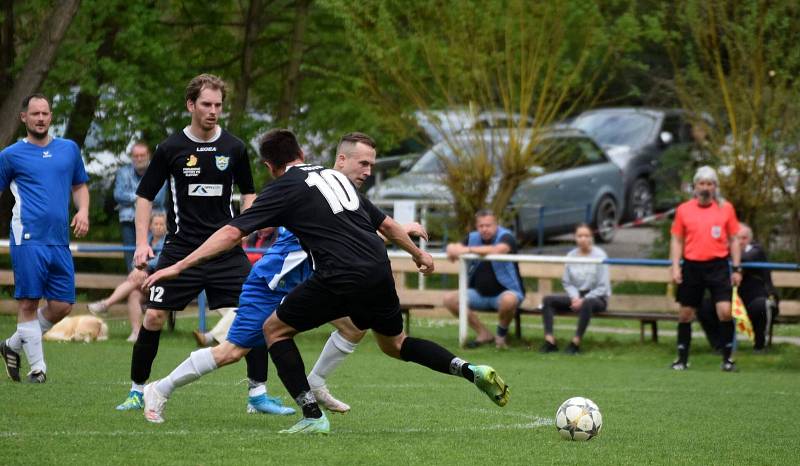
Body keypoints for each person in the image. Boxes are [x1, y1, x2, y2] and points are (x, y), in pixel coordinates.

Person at [143, 129, 510, 434]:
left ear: (270, 167)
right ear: (305, 153)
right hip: (349, 274)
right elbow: (380, 224)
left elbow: (231, 232)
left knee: (266, 336)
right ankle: (466, 368)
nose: (366, 170)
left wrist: (178, 266)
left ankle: (308, 413)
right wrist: (417, 253)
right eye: (363, 163)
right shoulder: (333, 179)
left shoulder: (285, 187)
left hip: (322, 278)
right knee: (393, 343)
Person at [189, 133, 427, 414]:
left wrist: (398, 232)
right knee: (244, 343)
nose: (368, 171)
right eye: (363, 163)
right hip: (285, 276)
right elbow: (346, 240)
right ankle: (164, 387)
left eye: (371, 165)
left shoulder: (335, 188)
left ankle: (310, 384)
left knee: (352, 328)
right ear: (341, 160)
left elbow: (354, 238)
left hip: (316, 275)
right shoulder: (313, 186)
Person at [114, 74, 277, 415]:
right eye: (206, 104)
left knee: (257, 313)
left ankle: (257, 395)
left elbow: (249, 194)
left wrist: (244, 225)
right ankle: (136, 391)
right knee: (155, 316)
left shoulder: (234, 147)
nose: (213, 111)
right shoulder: (171, 149)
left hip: (225, 251)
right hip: (180, 248)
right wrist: (142, 243)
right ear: (191, 105)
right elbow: (144, 196)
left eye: (218, 105)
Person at [0, 94, 90, 383]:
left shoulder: (68, 149)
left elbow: (79, 185)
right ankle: (38, 368)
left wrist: (84, 211)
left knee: (63, 304)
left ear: (51, 117)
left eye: (45, 113)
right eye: (35, 113)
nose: (41, 118)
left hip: (59, 239)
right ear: (23, 117)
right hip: (27, 237)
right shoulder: (10, 155)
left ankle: (12, 344)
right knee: (28, 302)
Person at [670, 166, 741, 372]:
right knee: (685, 313)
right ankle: (682, 359)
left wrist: (736, 268)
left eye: (710, 184)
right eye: (702, 183)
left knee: (725, 312)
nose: (705, 188)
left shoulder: (725, 208)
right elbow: (676, 240)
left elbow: (734, 239)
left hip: (718, 265)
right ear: (695, 187)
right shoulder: (684, 209)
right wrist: (675, 267)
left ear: (715, 187)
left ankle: (727, 360)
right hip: (692, 265)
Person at [442, 210, 525, 349]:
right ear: (477, 226)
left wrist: (467, 250)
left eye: (488, 225)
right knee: (449, 299)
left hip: (506, 293)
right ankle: (484, 333)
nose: (484, 229)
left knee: (509, 301)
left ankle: (501, 336)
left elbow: (498, 250)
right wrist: (451, 248)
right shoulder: (472, 238)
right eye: (481, 226)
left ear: (496, 224)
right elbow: (454, 248)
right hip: (478, 294)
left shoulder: (506, 237)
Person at [697, 223, 778, 353]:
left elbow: (745, 258)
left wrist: (728, 257)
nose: (740, 242)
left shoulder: (756, 250)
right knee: (702, 305)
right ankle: (720, 346)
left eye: (744, 238)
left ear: (750, 239)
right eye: (736, 238)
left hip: (756, 298)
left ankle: (760, 345)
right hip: (729, 298)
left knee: (761, 305)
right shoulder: (724, 252)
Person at [88, 211, 168, 342]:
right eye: (156, 224)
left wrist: (143, 268)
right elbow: (135, 260)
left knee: (138, 277)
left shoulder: (168, 242)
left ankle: (106, 304)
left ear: (166, 227)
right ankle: (136, 332)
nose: (159, 227)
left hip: (161, 284)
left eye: (162, 224)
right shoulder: (144, 242)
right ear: (150, 226)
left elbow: (161, 260)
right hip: (143, 283)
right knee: (134, 295)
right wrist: (138, 269)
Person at [537, 224, 611, 354]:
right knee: (547, 300)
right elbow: (567, 282)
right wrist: (575, 297)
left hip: (597, 298)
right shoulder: (570, 255)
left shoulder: (600, 255)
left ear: (591, 238)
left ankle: (575, 343)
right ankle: (550, 341)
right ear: (575, 238)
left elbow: (603, 286)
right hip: (576, 296)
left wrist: (583, 299)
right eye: (579, 236)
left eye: (586, 236)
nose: (583, 239)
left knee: (587, 303)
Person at [114, 141, 166, 273]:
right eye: (136, 155)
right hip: (128, 220)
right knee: (131, 255)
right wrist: (142, 197)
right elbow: (118, 195)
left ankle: (152, 282)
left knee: (156, 254)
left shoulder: (159, 171)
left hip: (153, 220)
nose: (139, 158)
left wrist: (133, 198)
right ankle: (133, 280)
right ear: (131, 157)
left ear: (148, 156)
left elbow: (158, 198)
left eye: (142, 155)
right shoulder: (123, 172)